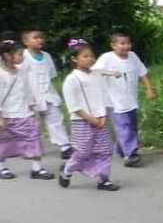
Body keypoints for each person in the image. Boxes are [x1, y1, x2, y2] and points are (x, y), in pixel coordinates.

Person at [59, 39, 119, 190]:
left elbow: (103, 96)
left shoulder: (97, 75)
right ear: (74, 59)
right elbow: (73, 105)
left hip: (100, 120)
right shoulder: (72, 79)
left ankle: (104, 179)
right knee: (82, 151)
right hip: (82, 121)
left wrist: (103, 116)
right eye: (85, 56)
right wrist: (90, 118)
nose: (90, 59)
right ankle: (67, 170)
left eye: (91, 56)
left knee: (105, 150)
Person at [93, 32, 156, 166]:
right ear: (113, 45)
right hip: (114, 101)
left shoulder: (133, 56)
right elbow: (94, 71)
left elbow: (142, 73)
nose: (126, 46)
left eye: (128, 43)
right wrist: (110, 73)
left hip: (131, 100)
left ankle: (122, 149)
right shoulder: (107, 58)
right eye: (122, 43)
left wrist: (149, 89)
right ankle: (131, 154)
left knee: (131, 127)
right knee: (124, 127)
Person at [0, 37, 55, 180]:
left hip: (25, 113)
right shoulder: (1, 74)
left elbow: (28, 91)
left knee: (33, 138)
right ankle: (2, 167)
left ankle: (37, 168)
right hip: (7, 116)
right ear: (7, 56)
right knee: (3, 142)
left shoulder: (22, 71)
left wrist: (34, 109)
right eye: (19, 54)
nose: (22, 57)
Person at [20, 29, 72, 159]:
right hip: (30, 97)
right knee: (34, 124)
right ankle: (31, 148)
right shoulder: (22, 56)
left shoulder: (47, 56)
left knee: (56, 120)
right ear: (26, 41)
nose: (40, 40)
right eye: (35, 38)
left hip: (48, 94)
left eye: (41, 37)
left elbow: (51, 75)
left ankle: (65, 146)